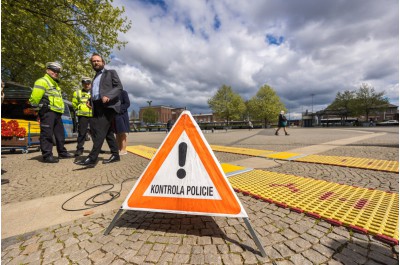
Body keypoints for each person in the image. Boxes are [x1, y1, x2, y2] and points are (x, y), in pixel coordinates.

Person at [75, 53, 122, 166]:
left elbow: (119, 87)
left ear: (103, 62)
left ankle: (92, 158)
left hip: (108, 106)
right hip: (96, 106)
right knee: (107, 132)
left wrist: (109, 96)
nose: (95, 63)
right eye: (93, 61)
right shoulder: (95, 77)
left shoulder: (110, 73)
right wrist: (90, 100)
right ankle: (115, 154)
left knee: (99, 131)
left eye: (98, 61)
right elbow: (96, 92)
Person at [29, 62, 73, 163]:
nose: (55, 73)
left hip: (57, 112)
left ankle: (62, 152)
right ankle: (47, 155)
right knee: (47, 134)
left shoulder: (55, 84)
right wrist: (38, 109)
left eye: (57, 71)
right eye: (53, 70)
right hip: (48, 112)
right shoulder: (42, 81)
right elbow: (34, 98)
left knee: (60, 134)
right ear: (47, 70)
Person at [72, 77, 93, 156]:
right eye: (85, 84)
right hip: (82, 116)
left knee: (95, 133)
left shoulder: (94, 93)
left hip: (93, 115)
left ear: (91, 84)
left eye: (88, 84)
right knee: (82, 133)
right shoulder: (77, 93)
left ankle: (97, 148)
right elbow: (74, 104)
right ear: (83, 84)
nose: (87, 85)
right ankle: (79, 149)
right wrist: (78, 109)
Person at [114, 90, 130, 155]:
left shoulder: (123, 92)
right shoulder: (112, 93)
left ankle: (123, 149)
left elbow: (127, 103)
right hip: (114, 115)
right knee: (117, 133)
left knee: (122, 132)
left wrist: (119, 109)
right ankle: (118, 148)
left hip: (122, 115)